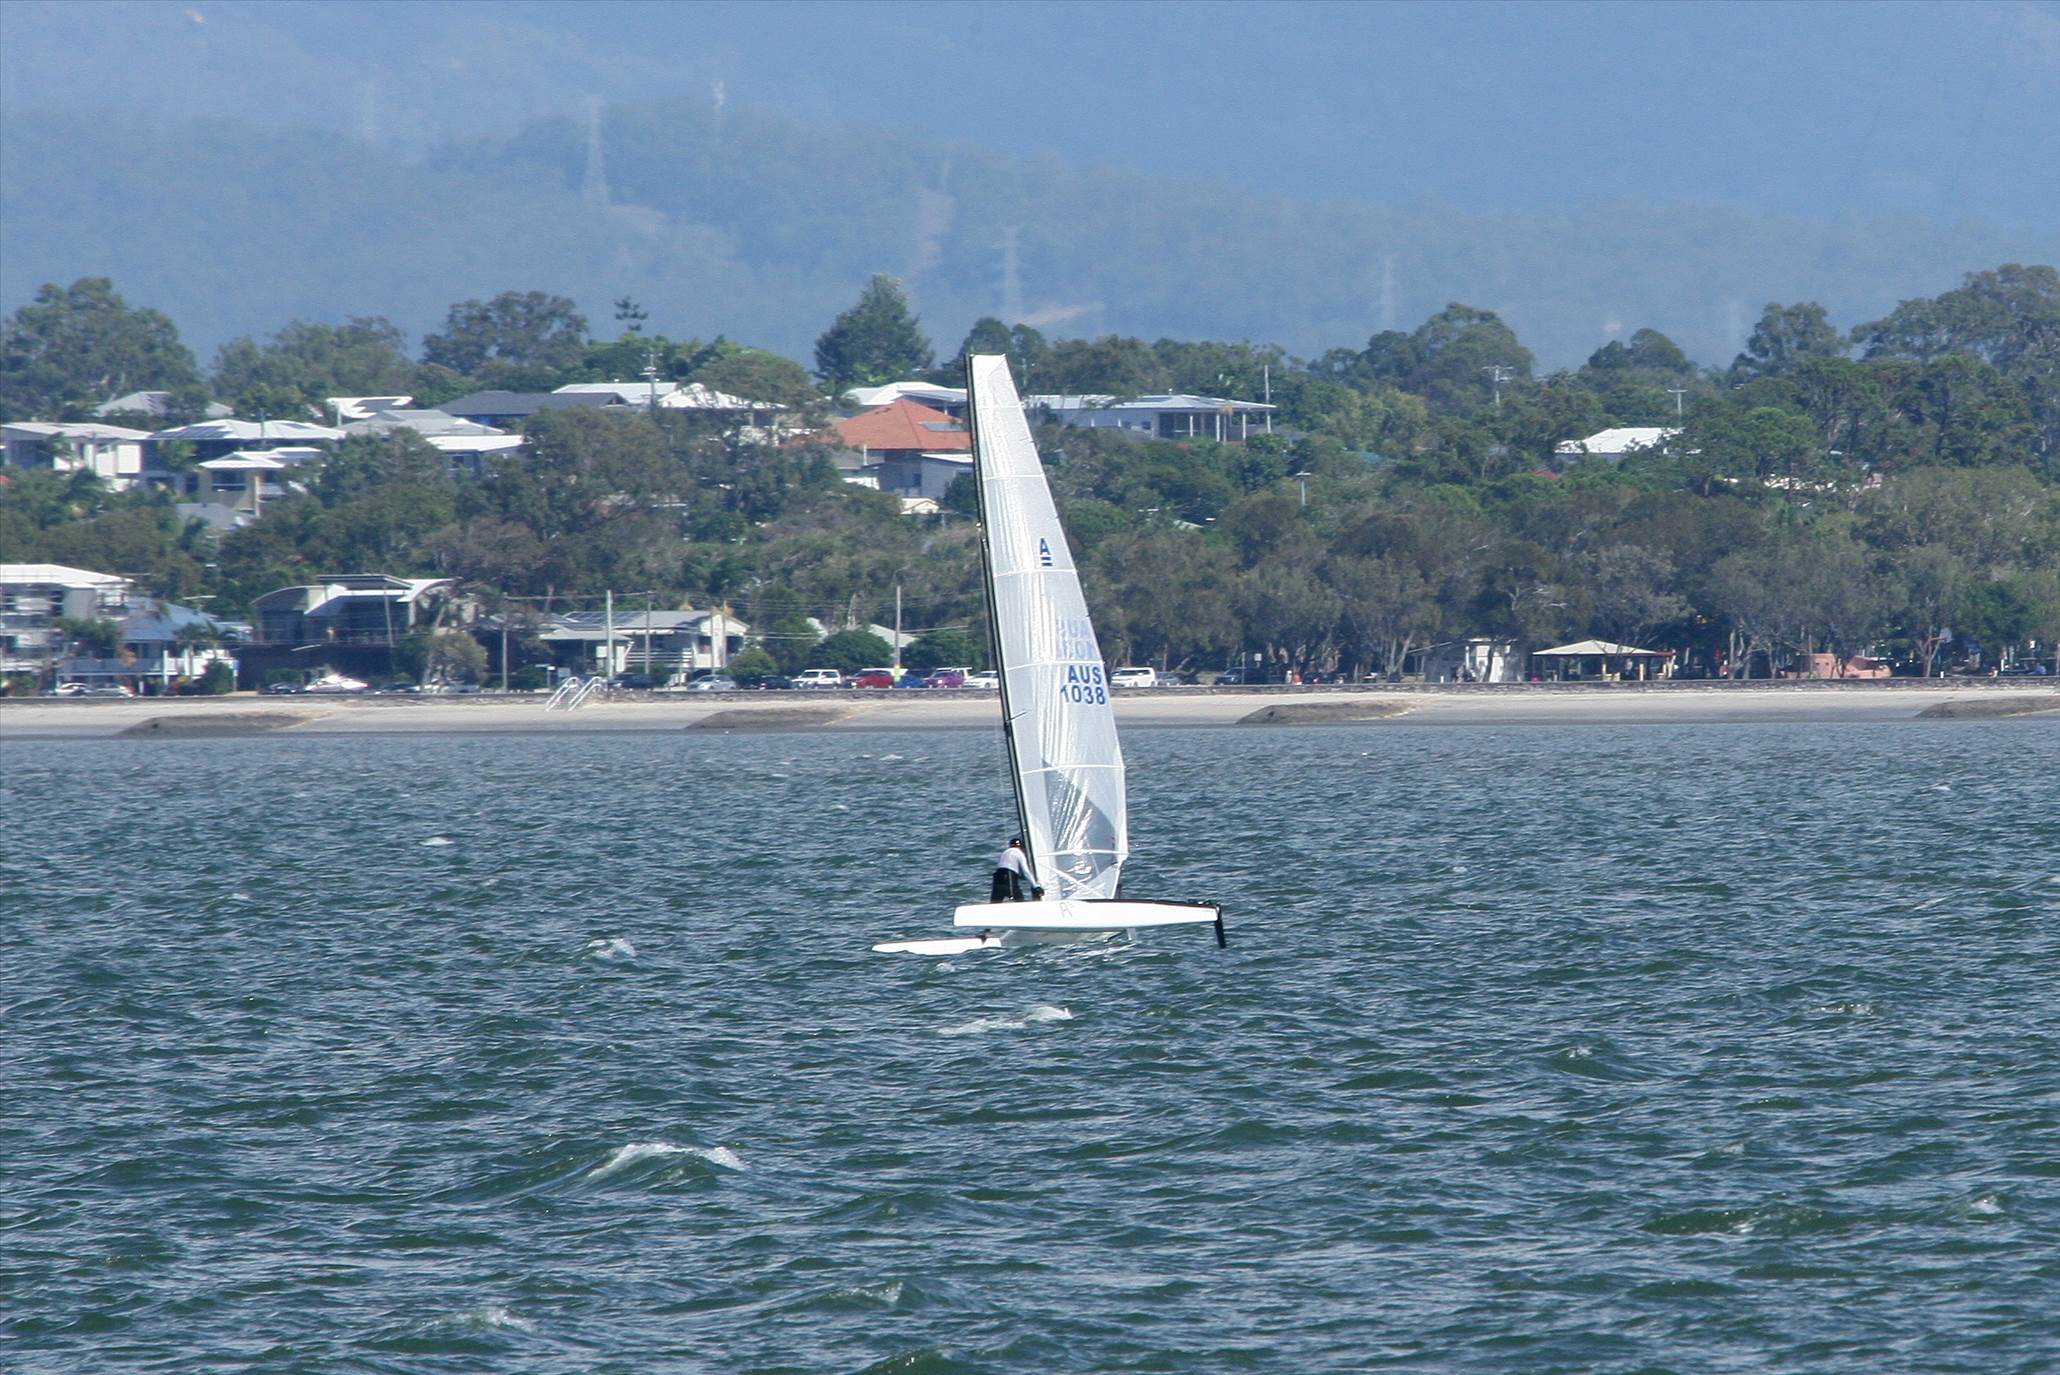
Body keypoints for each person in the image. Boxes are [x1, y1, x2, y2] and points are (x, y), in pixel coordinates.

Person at [990, 837, 1043, 902]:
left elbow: (1005, 867)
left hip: (997, 878)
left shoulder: (1005, 852)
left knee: (995, 902)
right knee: (1019, 900)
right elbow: (1026, 872)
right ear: (1021, 847)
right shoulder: (1019, 853)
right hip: (1009, 878)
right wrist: (1035, 886)